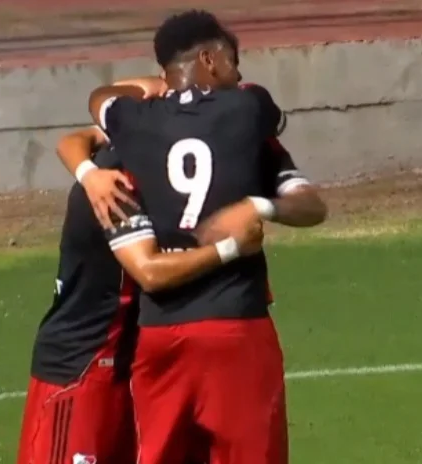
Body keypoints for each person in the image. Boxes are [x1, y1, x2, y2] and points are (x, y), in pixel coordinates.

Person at [60, 10, 328, 464]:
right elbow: (310, 204)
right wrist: (255, 209)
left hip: (160, 334)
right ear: (209, 59)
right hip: (236, 326)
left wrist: (158, 85)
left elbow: (100, 97)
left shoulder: (133, 122)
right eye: (233, 61)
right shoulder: (249, 108)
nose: (238, 73)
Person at [16, 127, 264, 464]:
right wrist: (232, 247)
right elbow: (149, 271)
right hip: (82, 368)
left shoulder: (146, 143)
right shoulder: (119, 179)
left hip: (127, 368)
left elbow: (77, 138)